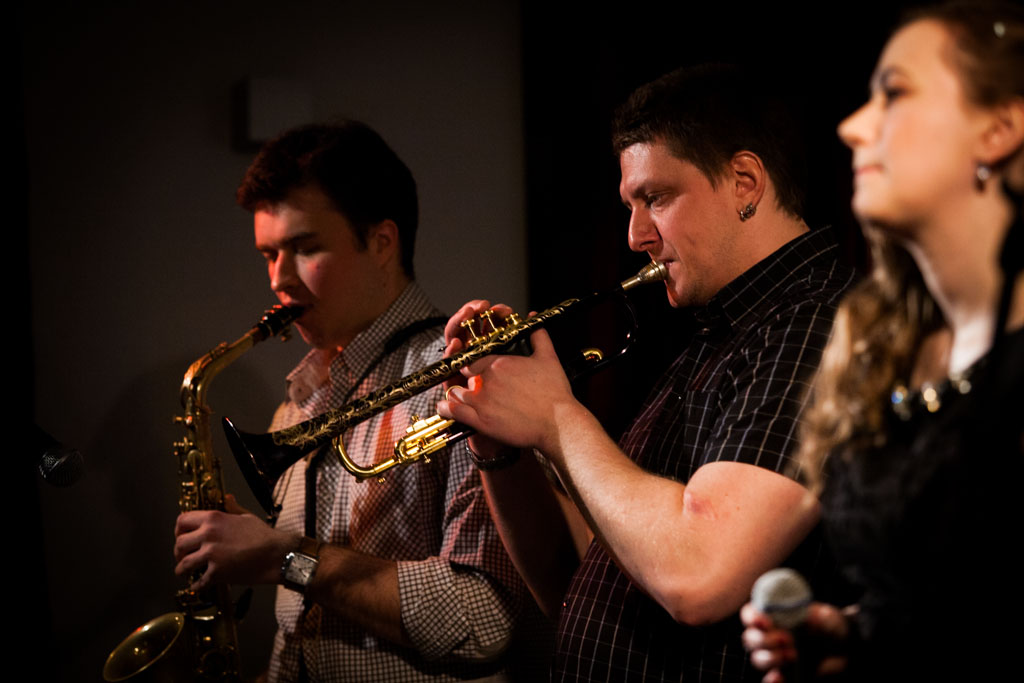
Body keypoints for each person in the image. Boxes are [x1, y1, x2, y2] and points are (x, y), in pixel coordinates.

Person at [438, 65, 857, 682]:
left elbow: (697, 573)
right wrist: (499, 444)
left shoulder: (815, 324)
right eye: (631, 205)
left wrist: (556, 417)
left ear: (744, 183)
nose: (636, 236)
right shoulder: (723, 334)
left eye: (655, 198)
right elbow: (580, 580)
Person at [173, 121, 532, 682]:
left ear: (382, 242)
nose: (278, 279)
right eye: (268, 254)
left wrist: (284, 558)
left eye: (304, 248)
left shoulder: (461, 377)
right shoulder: (297, 406)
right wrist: (260, 547)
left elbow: (485, 620)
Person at [741, 3, 1024, 681]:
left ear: (999, 130)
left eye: (893, 93)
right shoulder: (886, 345)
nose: (852, 126)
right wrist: (855, 639)